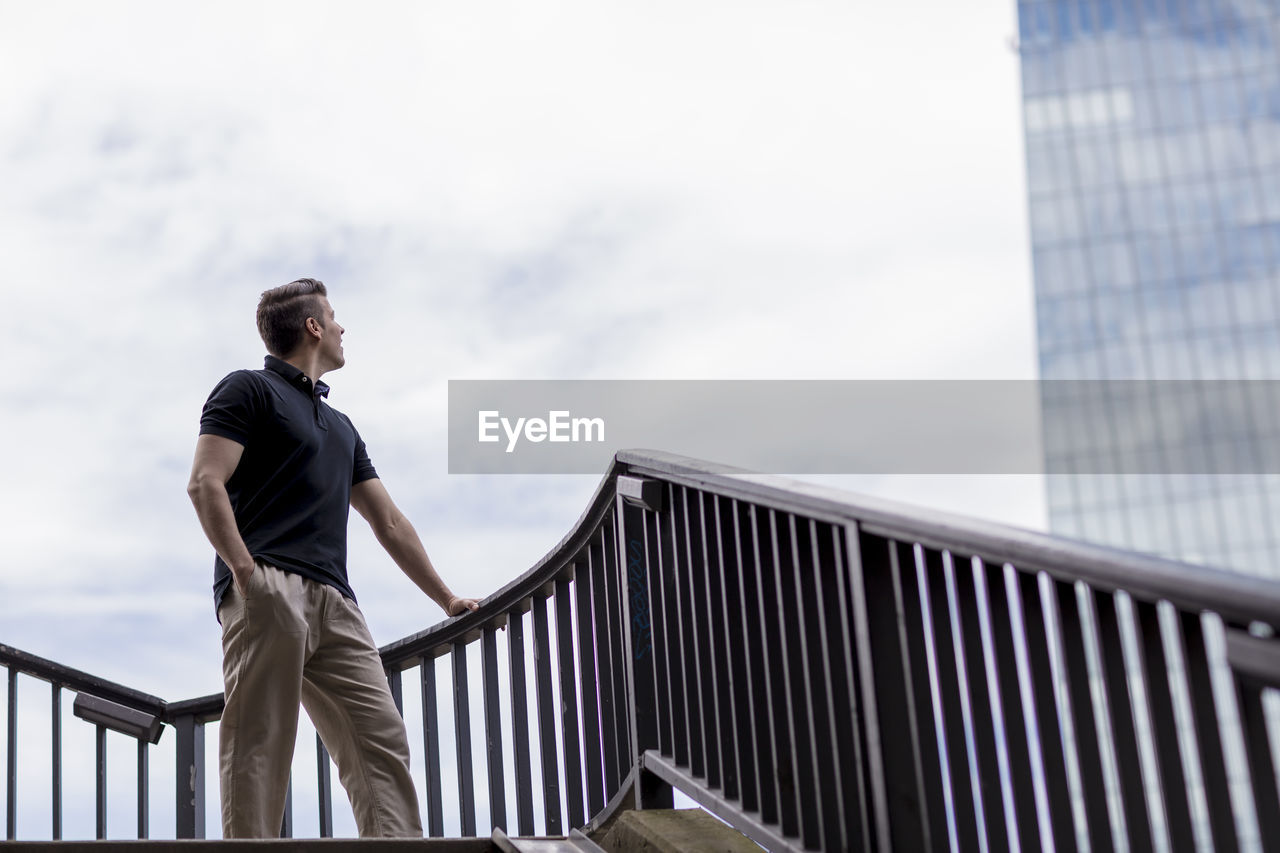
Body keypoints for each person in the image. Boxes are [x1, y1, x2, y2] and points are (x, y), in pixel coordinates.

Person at [186, 278, 479, 838]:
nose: (344, 328)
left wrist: (446, 597)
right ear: (313, 327)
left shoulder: (341, 427)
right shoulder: (247, 390)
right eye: (335, 317)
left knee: (381, 740)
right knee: (261, 742)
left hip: (338, 603)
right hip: (268, 586)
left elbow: (388, 522)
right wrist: (247, 573)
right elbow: (205, 483)